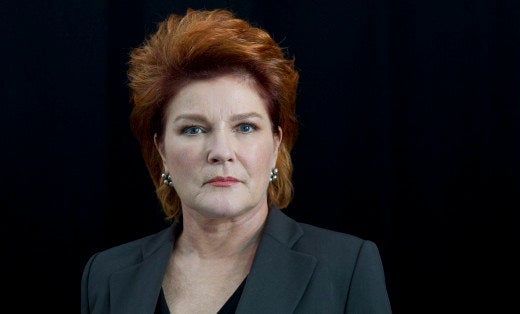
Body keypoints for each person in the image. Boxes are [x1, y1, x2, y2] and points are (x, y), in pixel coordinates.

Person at [80, 8, 392, 314]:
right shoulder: (105, 276)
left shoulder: (347, 268)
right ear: (161, 150)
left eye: (245, 127)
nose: (221, 151)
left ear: (275, 145)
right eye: (194, 129)